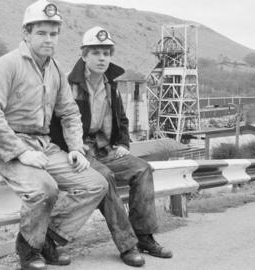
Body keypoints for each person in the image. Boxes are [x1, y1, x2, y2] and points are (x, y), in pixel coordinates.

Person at [0, 3, 108, 270]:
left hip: (43, 145)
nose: (49, 39)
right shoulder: (6, 65)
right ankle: (29, 250)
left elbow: (70, 112)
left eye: (53, 33)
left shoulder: (55, 70)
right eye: (42, 33)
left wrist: (74, 148)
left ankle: (45, 239)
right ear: (27, 33)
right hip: (10, 148)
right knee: (45, 189)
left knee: (95, 183)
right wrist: (21, 152)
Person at [50, 26, 173, 266]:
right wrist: (72, 149)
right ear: (84, 55)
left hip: (104, 148)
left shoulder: (110, 85)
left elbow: (122, 119)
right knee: (105, 177)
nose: (102, 58)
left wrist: (123, 143)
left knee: (142, 169)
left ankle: (144, 237)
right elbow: (56, 123)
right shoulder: (67, 84)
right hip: (78, 151)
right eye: (96, 53)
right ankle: (127, 246)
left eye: (106, 53)